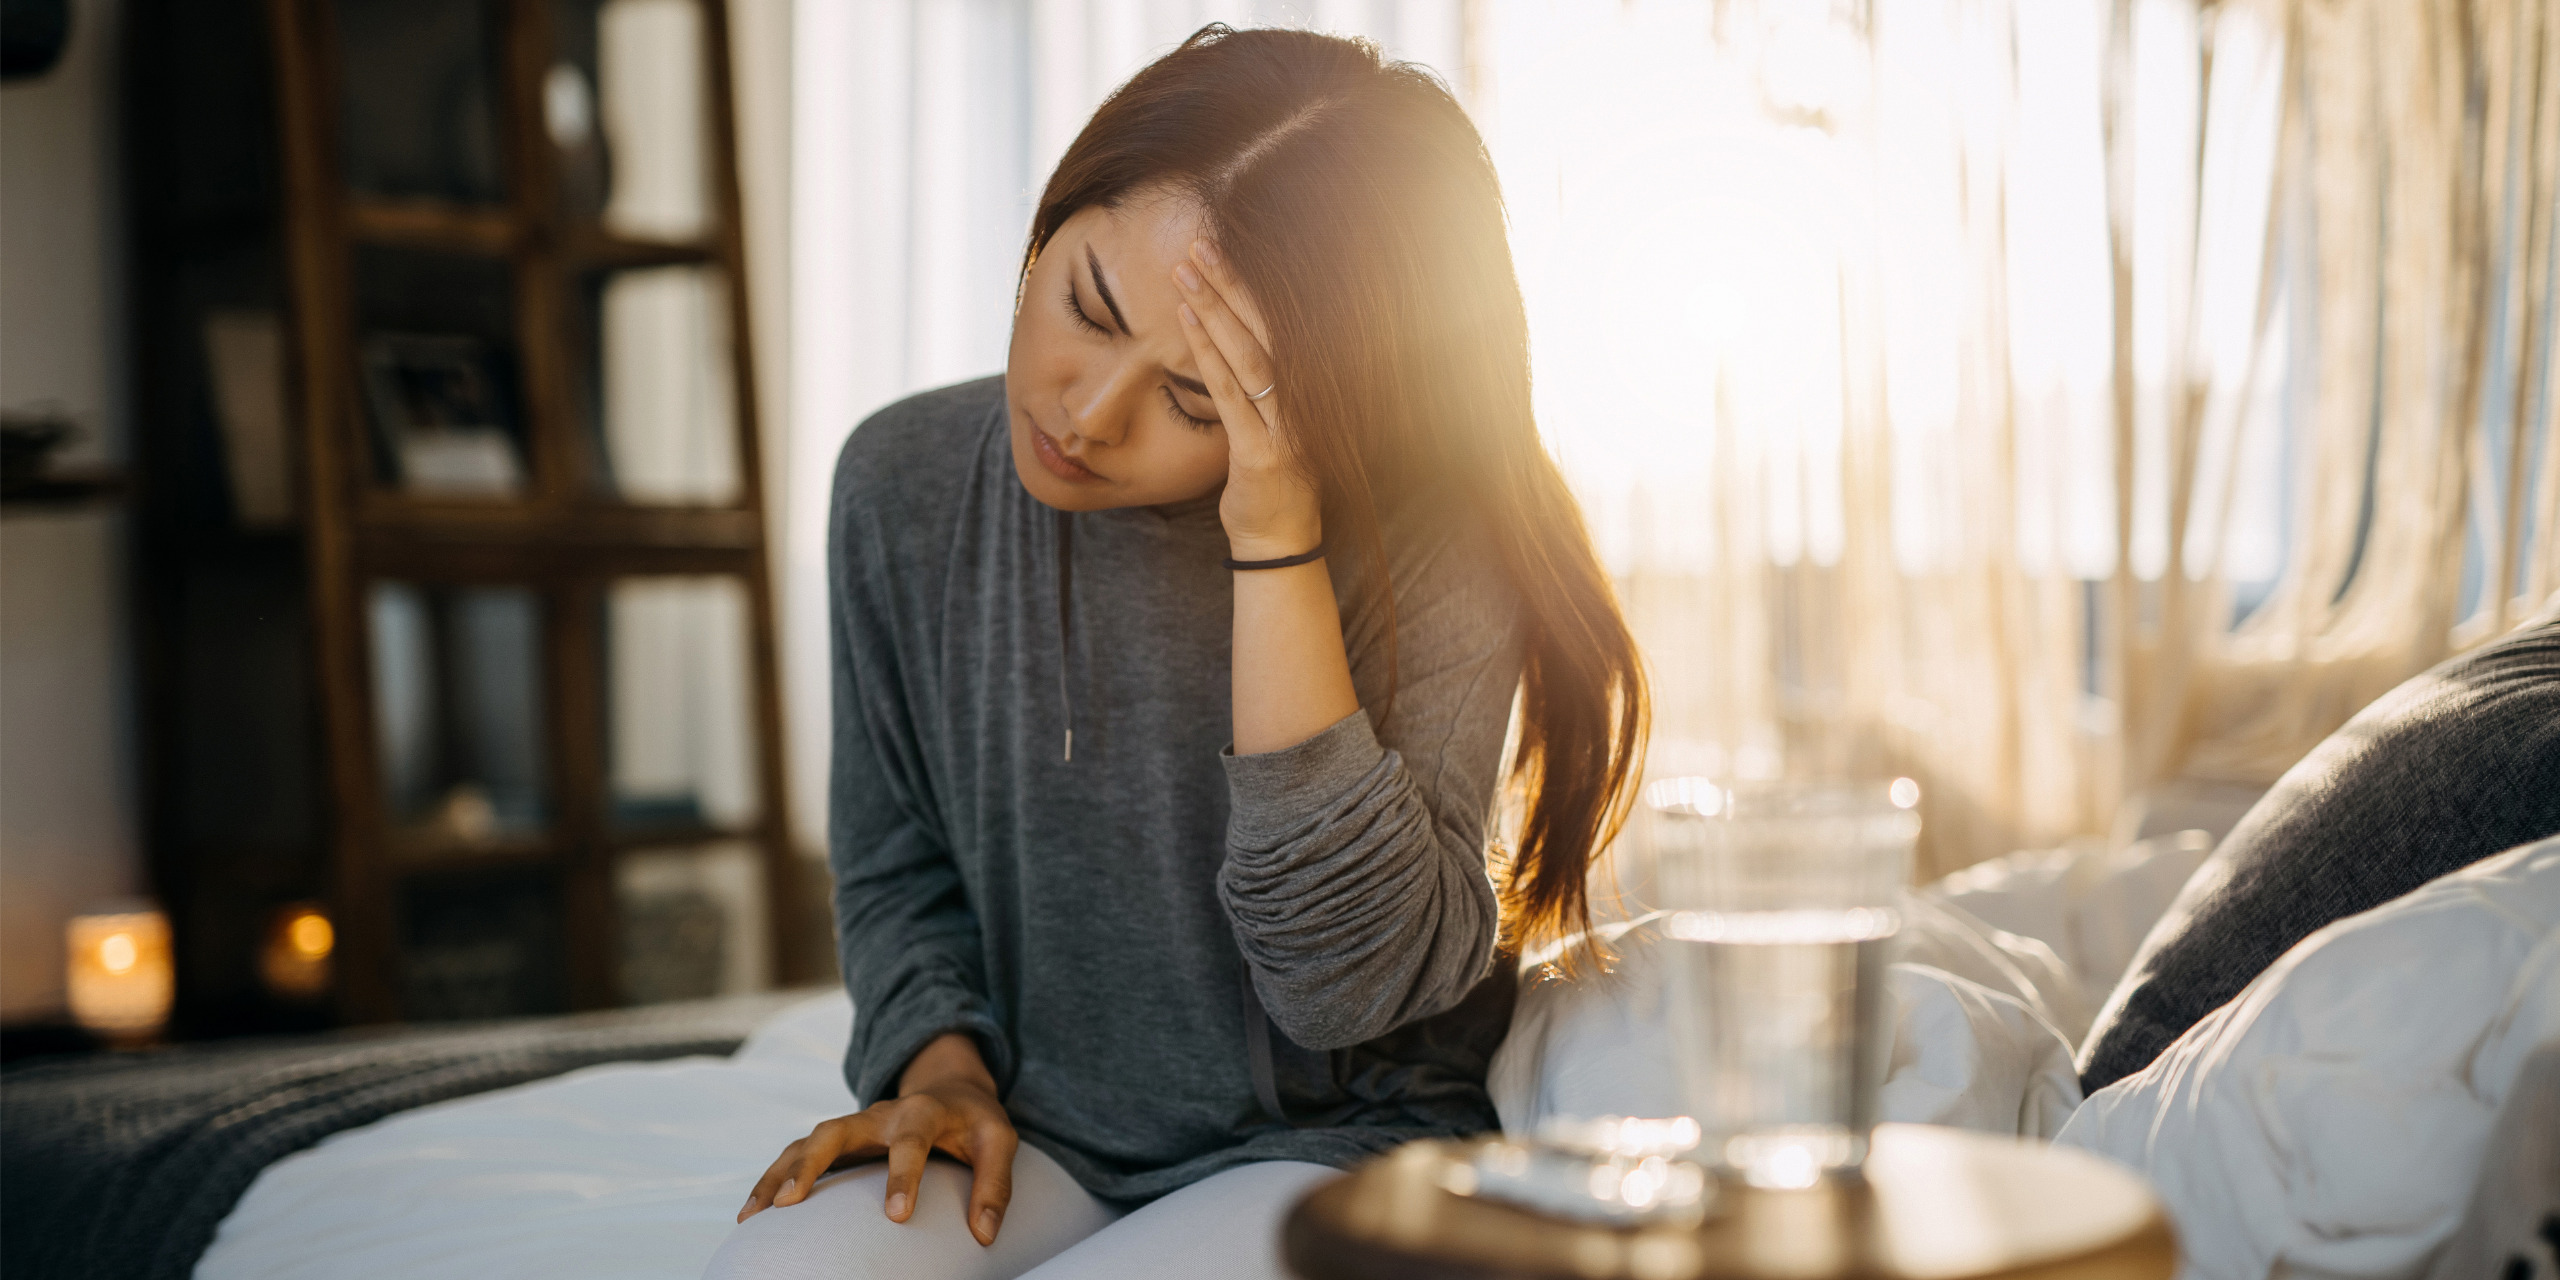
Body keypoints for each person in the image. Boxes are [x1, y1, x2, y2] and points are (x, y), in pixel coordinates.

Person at [706, 25, 1647, 1280]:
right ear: (1051, 225)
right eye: (1087, 307)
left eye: (1198, 400)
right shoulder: (899, 480)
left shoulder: (1433, 543)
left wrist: (1274, 541)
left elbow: (1342, 989)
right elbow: (896, 866)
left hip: (1335, 1142)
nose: (1085, 412)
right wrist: (941, 1069)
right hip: (1040, 1132)